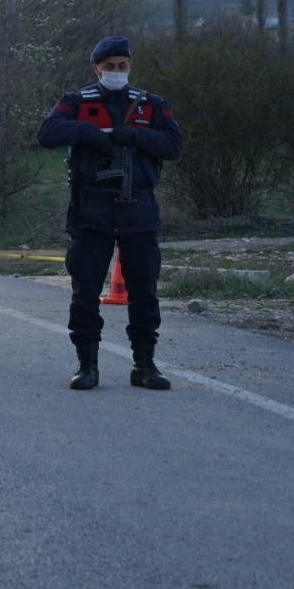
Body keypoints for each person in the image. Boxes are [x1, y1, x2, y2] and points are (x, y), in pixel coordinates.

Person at [36, 36, 183, 391]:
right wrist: (89, 134)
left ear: (130, 66)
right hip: (92, 210)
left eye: (122, 66)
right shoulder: (76, 102)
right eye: (110, 66)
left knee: (144, 293)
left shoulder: (150, 104)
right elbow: (47, 133)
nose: (117, 72)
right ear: (96, 67)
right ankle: (87, 366)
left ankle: (144, 365)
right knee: (85, 292)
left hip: (139, 211)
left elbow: (173, 145)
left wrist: (133, 136)